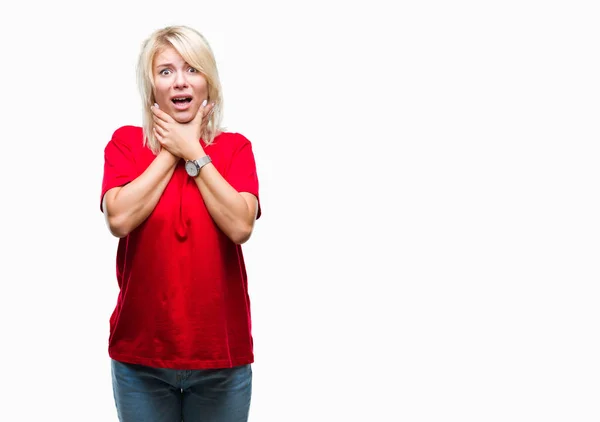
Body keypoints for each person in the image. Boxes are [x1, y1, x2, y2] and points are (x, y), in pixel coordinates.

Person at [100, 25, 261, 422]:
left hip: (221, 361)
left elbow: (241, 226)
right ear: (151, 86)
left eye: (192, 69)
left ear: (209, 82)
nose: (179, 82)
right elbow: (118, 218)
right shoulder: (125, 144)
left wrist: (195, 150)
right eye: (166, 71)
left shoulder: (235, 148)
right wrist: (173, 150)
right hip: (140, 361)